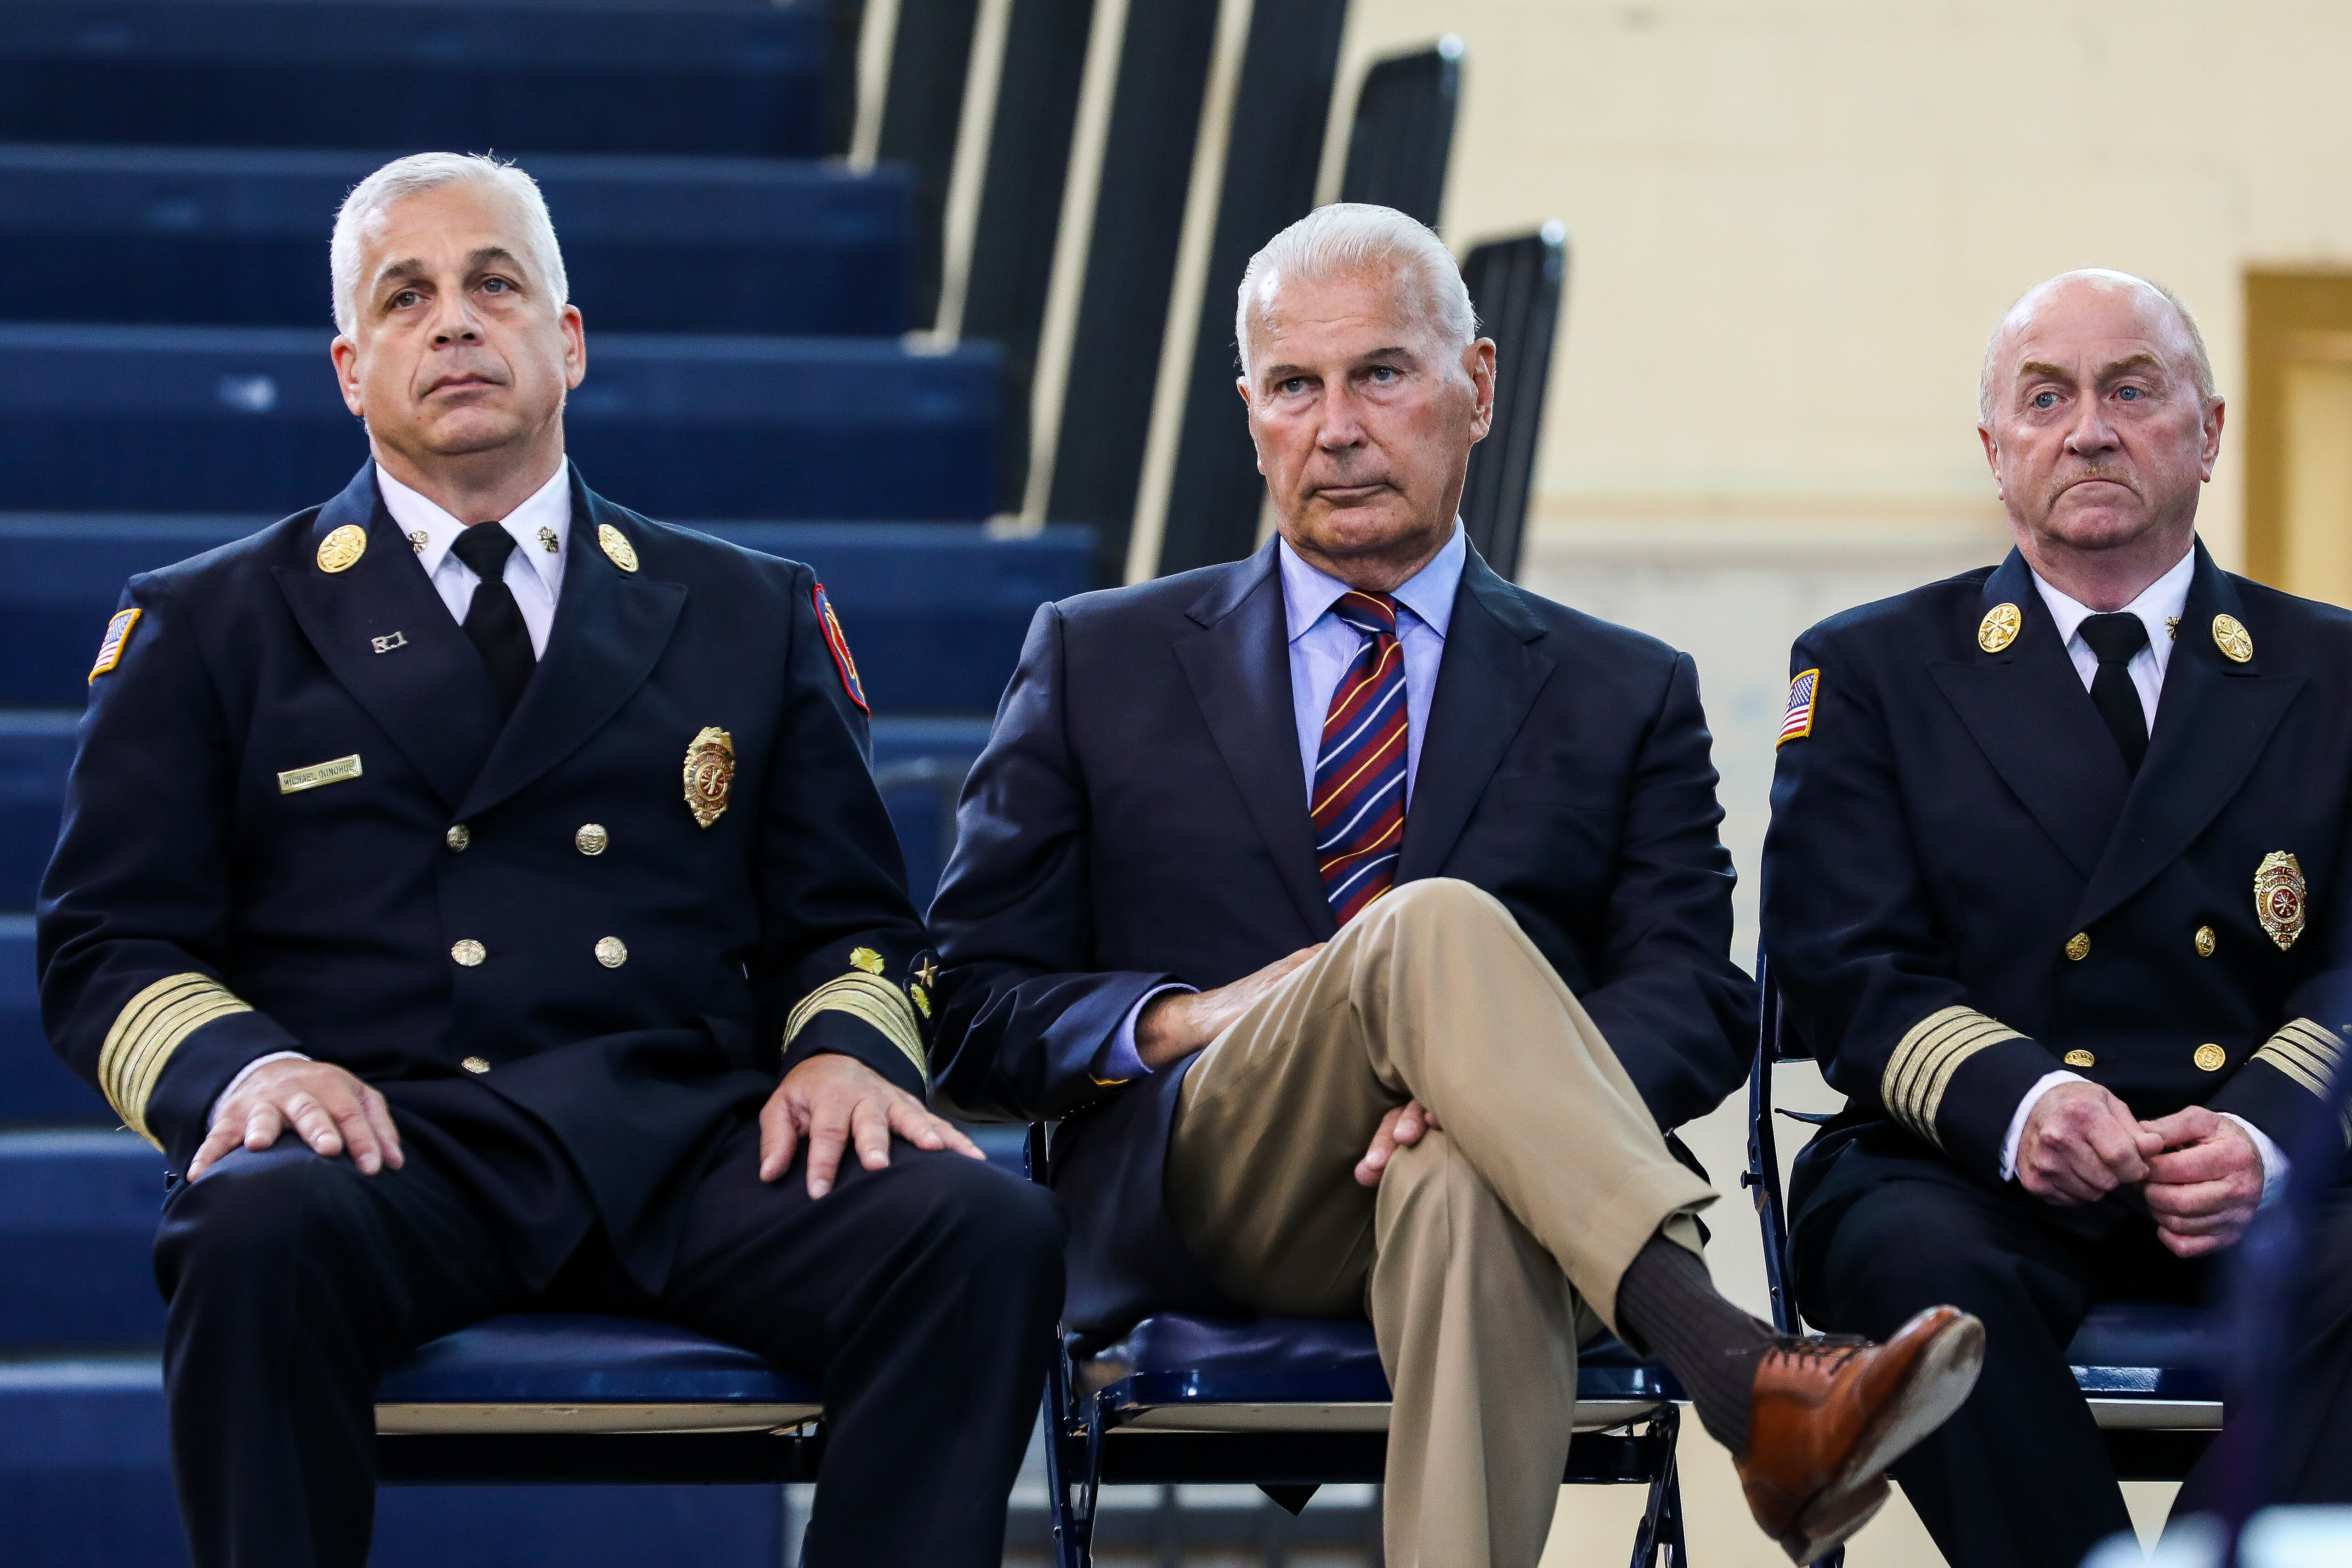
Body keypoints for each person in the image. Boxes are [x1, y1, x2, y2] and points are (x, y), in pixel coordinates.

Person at [36, 152, 1065, 1568]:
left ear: (566, 342)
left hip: (685, 1144)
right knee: (246, 1231)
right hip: (391, 1141)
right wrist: (254, 1073)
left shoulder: (745, 610)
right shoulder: (214, 625)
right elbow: (109, 945)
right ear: (351, 369)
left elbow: (857, 929)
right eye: (408, 297)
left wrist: (845, 1057)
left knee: (979, 1233)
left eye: (494, 284)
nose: (455, 322)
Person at [926, 203, 1983, 1568]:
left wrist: (1473, 1085)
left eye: (1381, 374)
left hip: (1495, 1192)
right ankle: (1738, 1367)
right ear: (1249, 414)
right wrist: (1184, 1019)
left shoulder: (1625, 691)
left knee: (1462, 1183)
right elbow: (967, 1011)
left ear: (1477, 387)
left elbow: (1696, 999)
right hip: (1210, 1186)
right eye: (1295, 387)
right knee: (1423, 925)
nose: (1339, 426)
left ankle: (1683, 1334)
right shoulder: (1095, 659)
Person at [1763, 268, 2352, 1566]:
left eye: (2132, 391)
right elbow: (1840, 965)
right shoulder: (1871, 671)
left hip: (2259, 1169)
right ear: (1997, 451)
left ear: (2209, 431)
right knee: (1907, 1257)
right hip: (1970, 1167)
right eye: (2048, 397)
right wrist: (2025, 1106)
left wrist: (2265, 1131)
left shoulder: (2334, 672)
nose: (2089, 428)